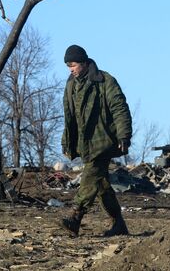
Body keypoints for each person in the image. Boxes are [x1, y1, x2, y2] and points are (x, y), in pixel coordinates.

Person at [59, 44, 132, 237]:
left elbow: (119, 108)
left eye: (73, 64)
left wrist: (124, 135)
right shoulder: (70, 85)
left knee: (90, 176)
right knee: (101, 185)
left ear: (83, 63)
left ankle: (75, 217)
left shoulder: (105, 81)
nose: (70, 69)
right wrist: (67, 142)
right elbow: (69, 118)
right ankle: (119, 225)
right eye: (68, 66)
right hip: (84, 143)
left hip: (104, 141)